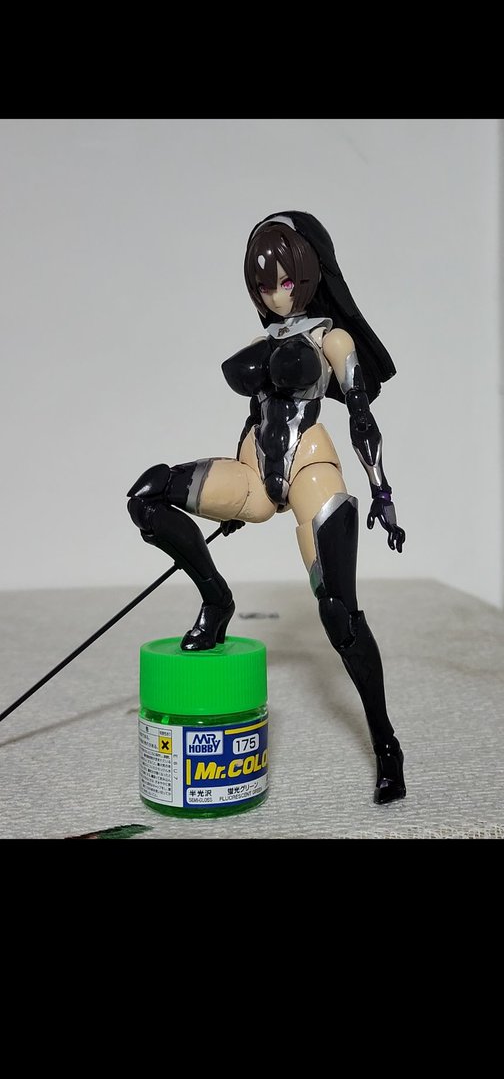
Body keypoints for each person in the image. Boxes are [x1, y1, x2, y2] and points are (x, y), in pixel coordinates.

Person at [127, 211, 407, 803]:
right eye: (262, 284)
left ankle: (386, 743)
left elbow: (362, 418)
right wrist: (231, 496)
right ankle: (217, 600)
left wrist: (381, 491)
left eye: (284, 280)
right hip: (256, 473)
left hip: (310, 466)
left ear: (309, 274)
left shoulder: (332, 340)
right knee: (148, 497)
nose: (275, 294)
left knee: (339, 613)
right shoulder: (263, 344)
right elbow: (254, 414)